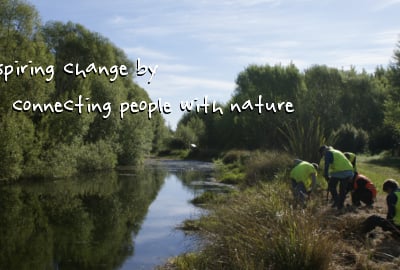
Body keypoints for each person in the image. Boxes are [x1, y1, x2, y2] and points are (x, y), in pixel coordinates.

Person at [319, 145, 354, 211]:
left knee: (332, 186)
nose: (323, 155)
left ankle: (337, 202)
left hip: (340, 172)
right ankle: (340, 206)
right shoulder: (336, 151)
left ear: (323, 151)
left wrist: (326, 175)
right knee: (342, 189)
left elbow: (327, 165)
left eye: (322, 153)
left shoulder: (328, 153)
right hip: (349, 171)